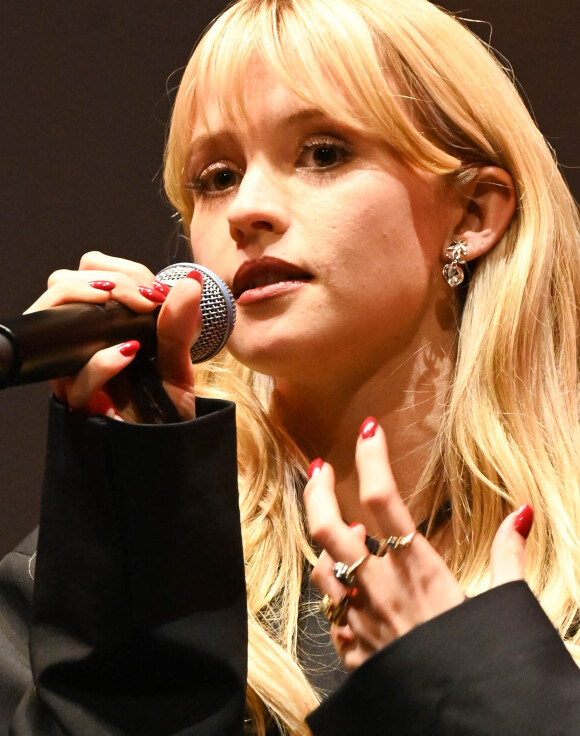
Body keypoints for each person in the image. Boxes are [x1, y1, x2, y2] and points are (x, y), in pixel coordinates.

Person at [1, 0, 580, 733]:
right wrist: (142, 543)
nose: (248, 209)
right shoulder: (81, 582)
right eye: (216, 176)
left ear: (473, 214)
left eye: (324, 153)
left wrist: (464, 676)